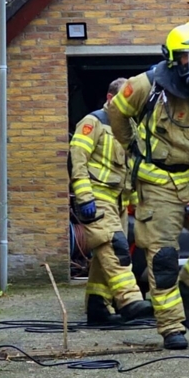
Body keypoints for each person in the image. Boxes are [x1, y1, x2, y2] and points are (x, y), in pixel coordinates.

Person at [109, 22, 189, 350]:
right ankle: (171, 327)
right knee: (164, 257)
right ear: (170, 58)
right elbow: (116, 112)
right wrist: (131, 147)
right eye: (184, 58)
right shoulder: (145, 85)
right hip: (156, 184)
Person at [70, 78, 153, 325]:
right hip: (96, 198)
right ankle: (129, 301)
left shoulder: (129, 128)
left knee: (103, 253)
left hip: (118, 202)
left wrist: (138, 203)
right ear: (109, 99)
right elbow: (77, 159)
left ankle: (98, 307)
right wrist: (84, 196)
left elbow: (132, 169)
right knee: (114, 247)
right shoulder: (92, 122)